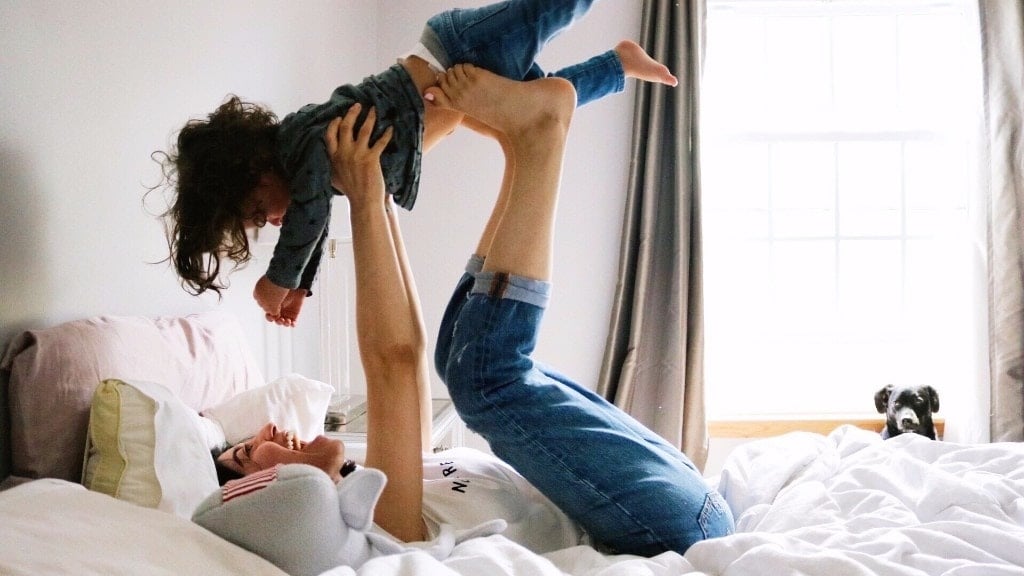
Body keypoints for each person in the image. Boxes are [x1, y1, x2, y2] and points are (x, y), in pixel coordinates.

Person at [217, 65, 733, 557]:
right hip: (672, 523)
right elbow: (390, 363)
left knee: (451, 357)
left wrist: (378, 187)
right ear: (264, 493)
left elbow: (411, 356)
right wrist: (364, 199)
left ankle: (520, 146)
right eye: (246, 453)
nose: (265, 433)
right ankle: (539, 139)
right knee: (483, 377)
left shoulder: (382, 477)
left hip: (670, 484)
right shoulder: (374, 528)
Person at [154, 0, 678, 328]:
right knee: (543, 108)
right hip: (457, 75)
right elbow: (310, 223)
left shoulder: (301, 145)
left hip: (457, 50)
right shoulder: (305, 166)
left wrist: (277, 282)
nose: (270, 220)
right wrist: (301, 287)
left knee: (555, 6)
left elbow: (307, 217)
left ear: (255, 170)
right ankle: (619, 64)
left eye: (257, 210)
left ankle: (619, 61)